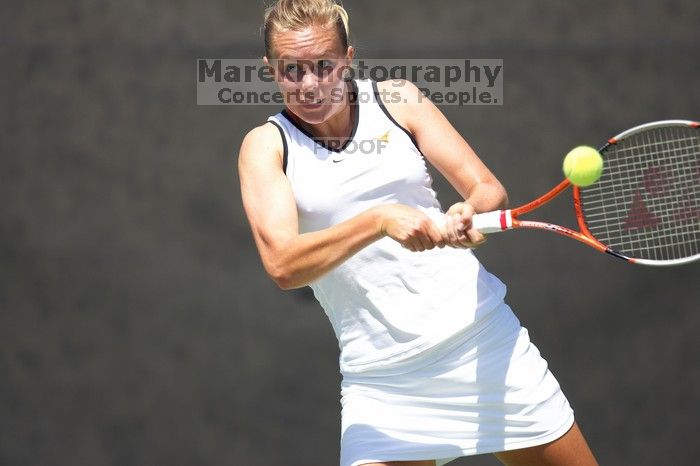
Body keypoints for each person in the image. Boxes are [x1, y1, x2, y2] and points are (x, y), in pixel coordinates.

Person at [238, 1, 600, 465]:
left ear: (349, 58)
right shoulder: (266, 147)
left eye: (324, 66)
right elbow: (284, 265)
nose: (309, 84)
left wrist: (468, 212)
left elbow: (487, 189)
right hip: (382, 383)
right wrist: (378, 220)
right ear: (270, 70)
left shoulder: (399, 100)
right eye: (292, 70)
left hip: (482, 344)